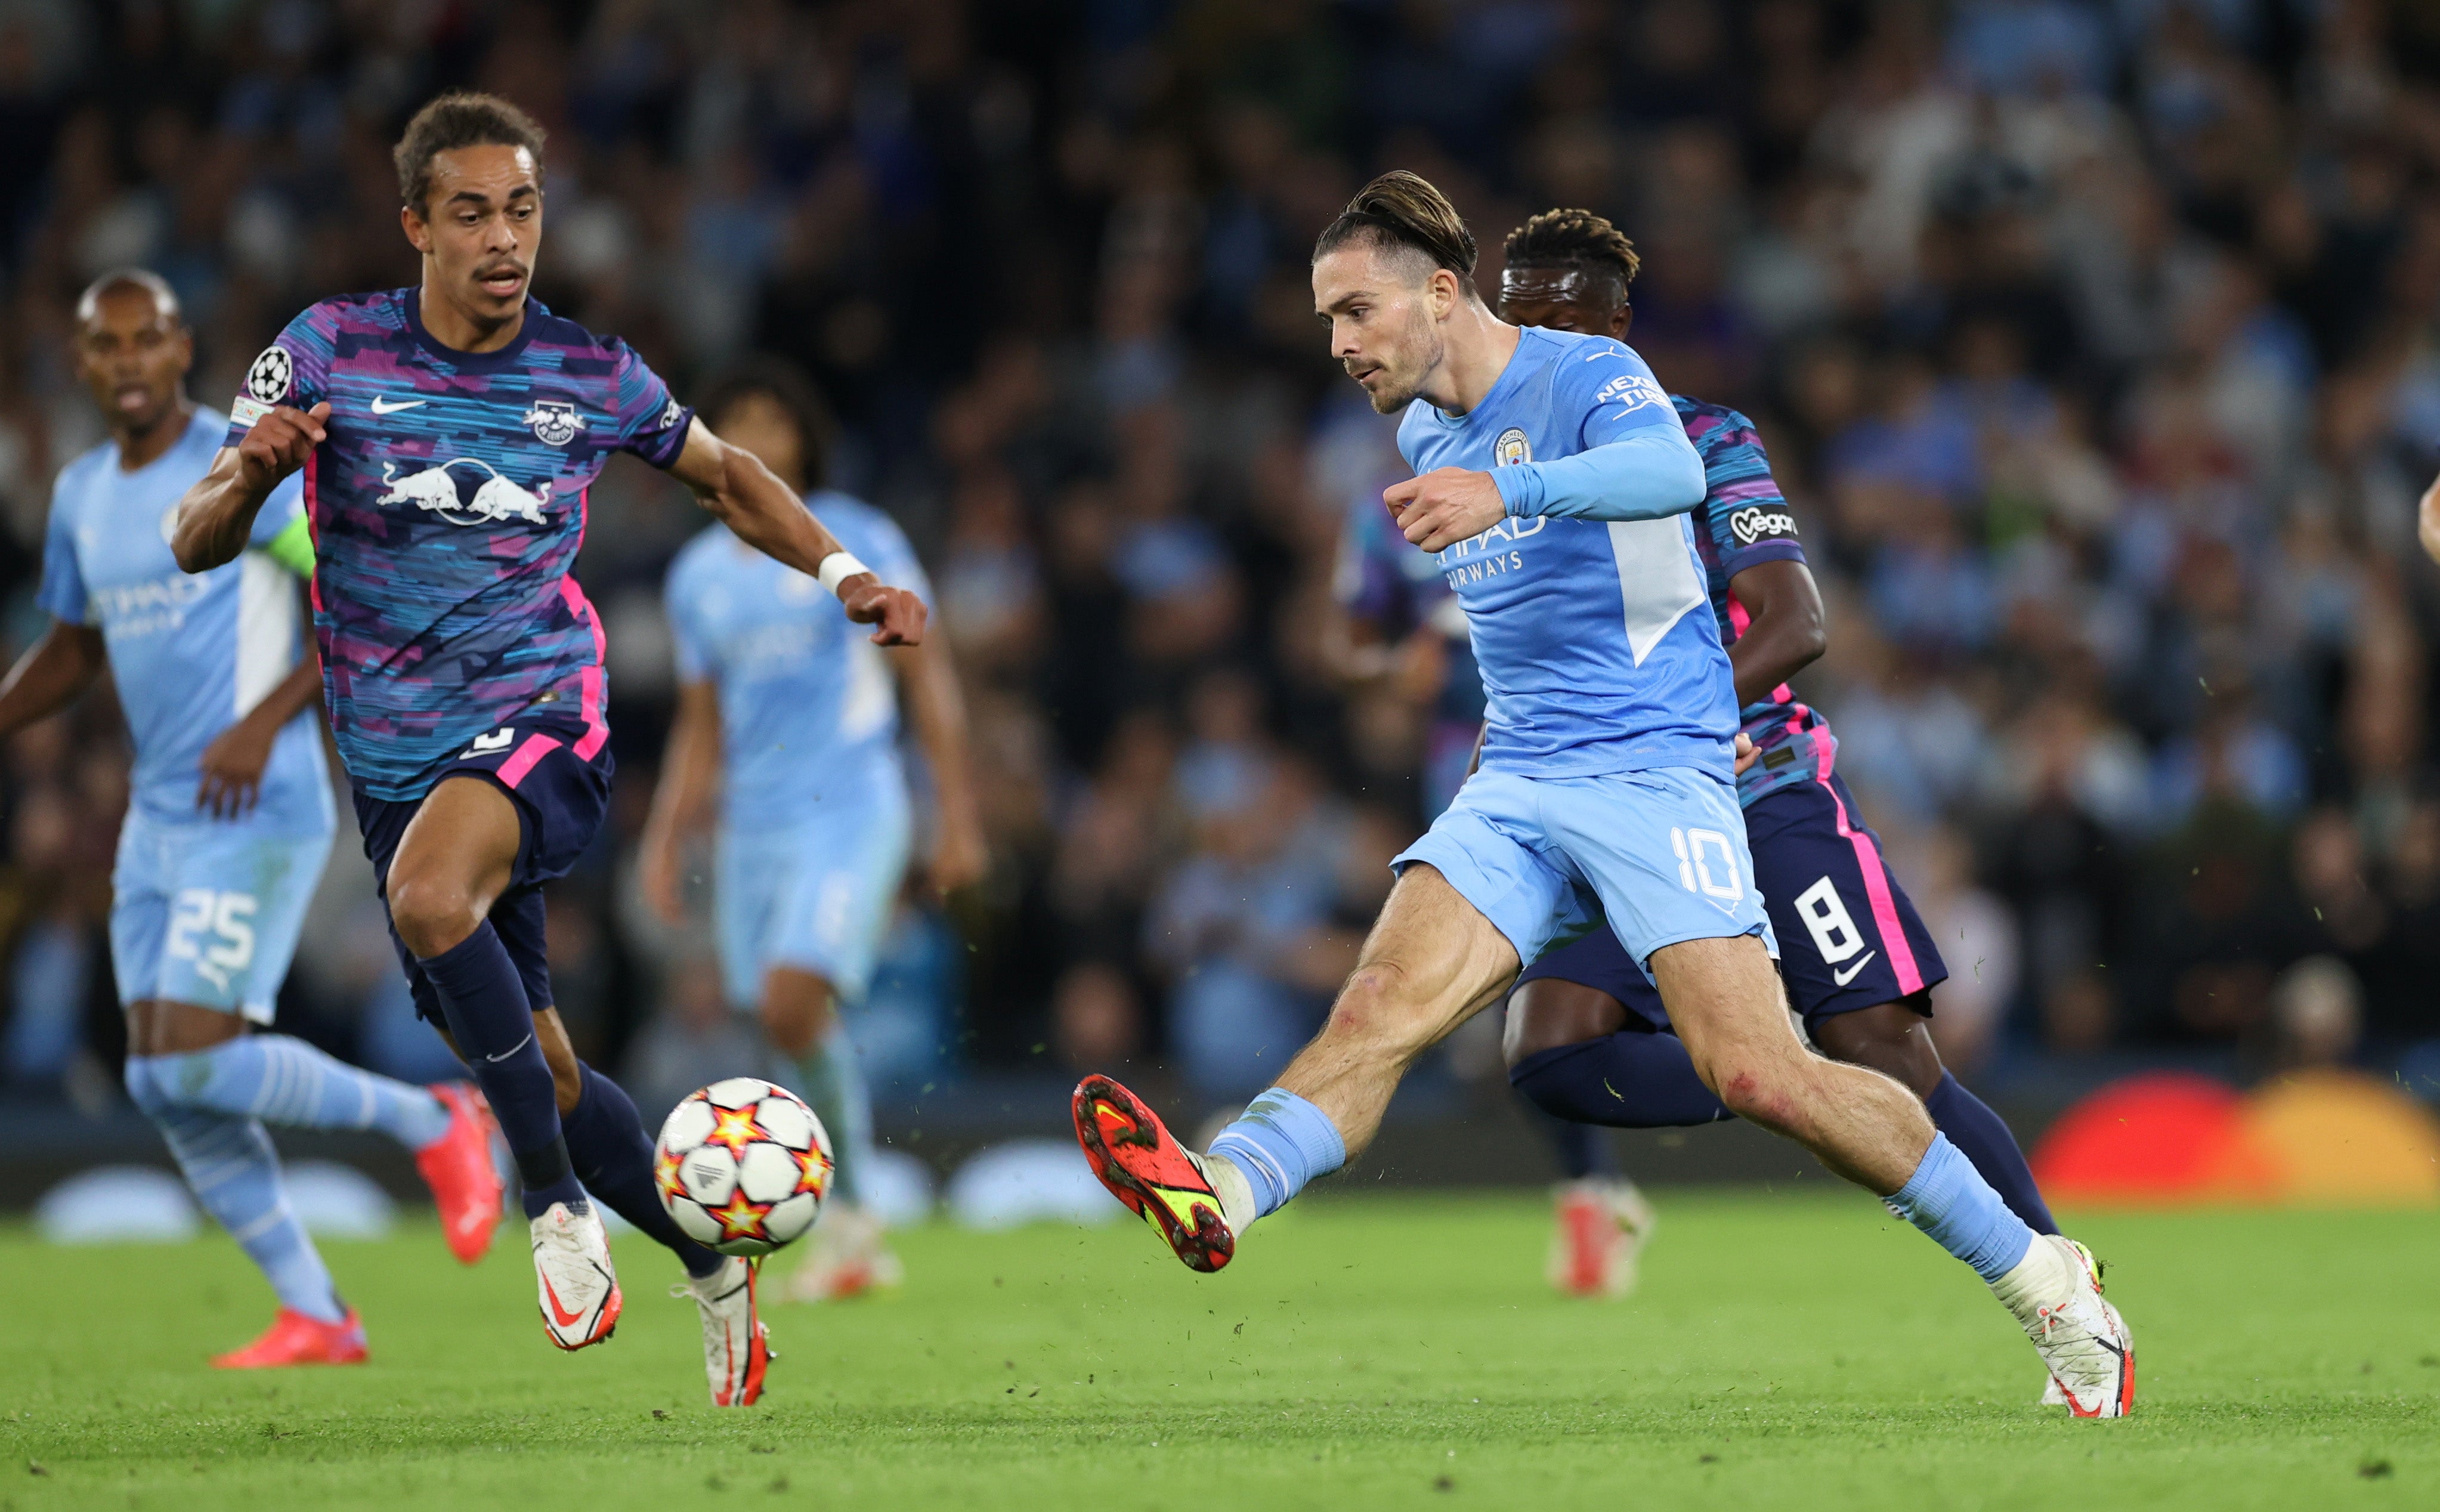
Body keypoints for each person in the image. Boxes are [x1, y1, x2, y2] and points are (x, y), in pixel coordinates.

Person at [1070, 172, 2135, 1417]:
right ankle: (1224, 1186)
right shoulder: (1421, 433)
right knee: (1380, 1012)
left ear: (1443, 290)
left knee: (1767, 1075)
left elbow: (1665, 474)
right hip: (1518, 777)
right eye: (1326, 321)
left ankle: (2049, 1284)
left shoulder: (1589, 377)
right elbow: (1462, 625)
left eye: (1356, 310)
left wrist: (1508, 492)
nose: (1341, 343)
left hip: (1658, 768)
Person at [170, 94, 926, 1406]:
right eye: (470, 211)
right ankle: (712, 1265)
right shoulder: (327, 351)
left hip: (545, 719)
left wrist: (844, 570)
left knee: (425, 895)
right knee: (548, 1065)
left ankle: (556, 1209)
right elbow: (192, 536)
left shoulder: (589, 372)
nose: (504, 236)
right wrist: (248, 476)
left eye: (521, 208)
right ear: (416, 224)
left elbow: (731, 476)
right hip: (397, 760)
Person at [1488, 209, 2063, 1318]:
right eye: (1516, 316)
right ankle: (1787, 1070)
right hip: (1612, 815)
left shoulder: (1696, 437)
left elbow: (1794, 621)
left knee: (1895, 1063)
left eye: (1559, 316)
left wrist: (1675, 717)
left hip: (1757, 792)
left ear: (1616, 326)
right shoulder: (1485, 463)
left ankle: (2062, 1286)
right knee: (1550, 1053)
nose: (1534, 338)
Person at [0, 269, 499, 1368]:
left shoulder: (241, 473)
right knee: (155, 1075)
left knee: (189, 1056)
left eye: (148, 338)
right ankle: (317, 1312)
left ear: (183, 351)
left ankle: (437, 1119)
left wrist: (262, 724)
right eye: (105, 344)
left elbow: (350, 604)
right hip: (160, 818)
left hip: (258, 804)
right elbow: (76, 650)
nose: (128, 360)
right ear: (82, 364)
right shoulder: (83, 494)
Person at [641, 359, 984, 1303]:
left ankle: (857, 1214)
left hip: (855, 803)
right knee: (784, 1023)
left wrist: (957, 815)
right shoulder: (697, 578)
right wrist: (667, 838)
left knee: (795, 1003)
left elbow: (929, 676)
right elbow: (699, 728)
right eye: (734, 421)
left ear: (803, 436)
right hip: (755, 824)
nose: (753, 437)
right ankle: (851, 1231)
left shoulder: (858, 537)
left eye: (771, 420)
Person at [1325, 394, 1652, 1298]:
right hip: (1476, 773)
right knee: (1521, 977)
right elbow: (1345, 644)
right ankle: (1592, 1188)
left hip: (1609, 747)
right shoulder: (1385, 513)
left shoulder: (1552, 479)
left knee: (1599, 962)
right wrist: (1394, 667)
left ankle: (1604, 1169)